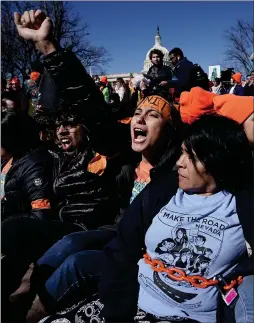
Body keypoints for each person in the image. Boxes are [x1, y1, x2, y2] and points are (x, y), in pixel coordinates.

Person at [38, 114, 253, 323]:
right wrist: (117, 310)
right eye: (182, 153)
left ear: (216, 161)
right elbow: (122, 248)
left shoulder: (243, 204)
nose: (179, 163)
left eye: (191, 157)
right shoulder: (164, 189)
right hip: (129, 304)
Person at [12, 95, 182, 322]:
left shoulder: (176, 171)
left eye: (152, 116)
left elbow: (95, 114)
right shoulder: (126, 162)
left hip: (140, 248)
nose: (140, 119)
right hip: (115, 229)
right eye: (137, 113)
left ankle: (28, 315)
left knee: (78, 263)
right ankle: (19, 296)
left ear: (169, 130)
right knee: (69, 242)